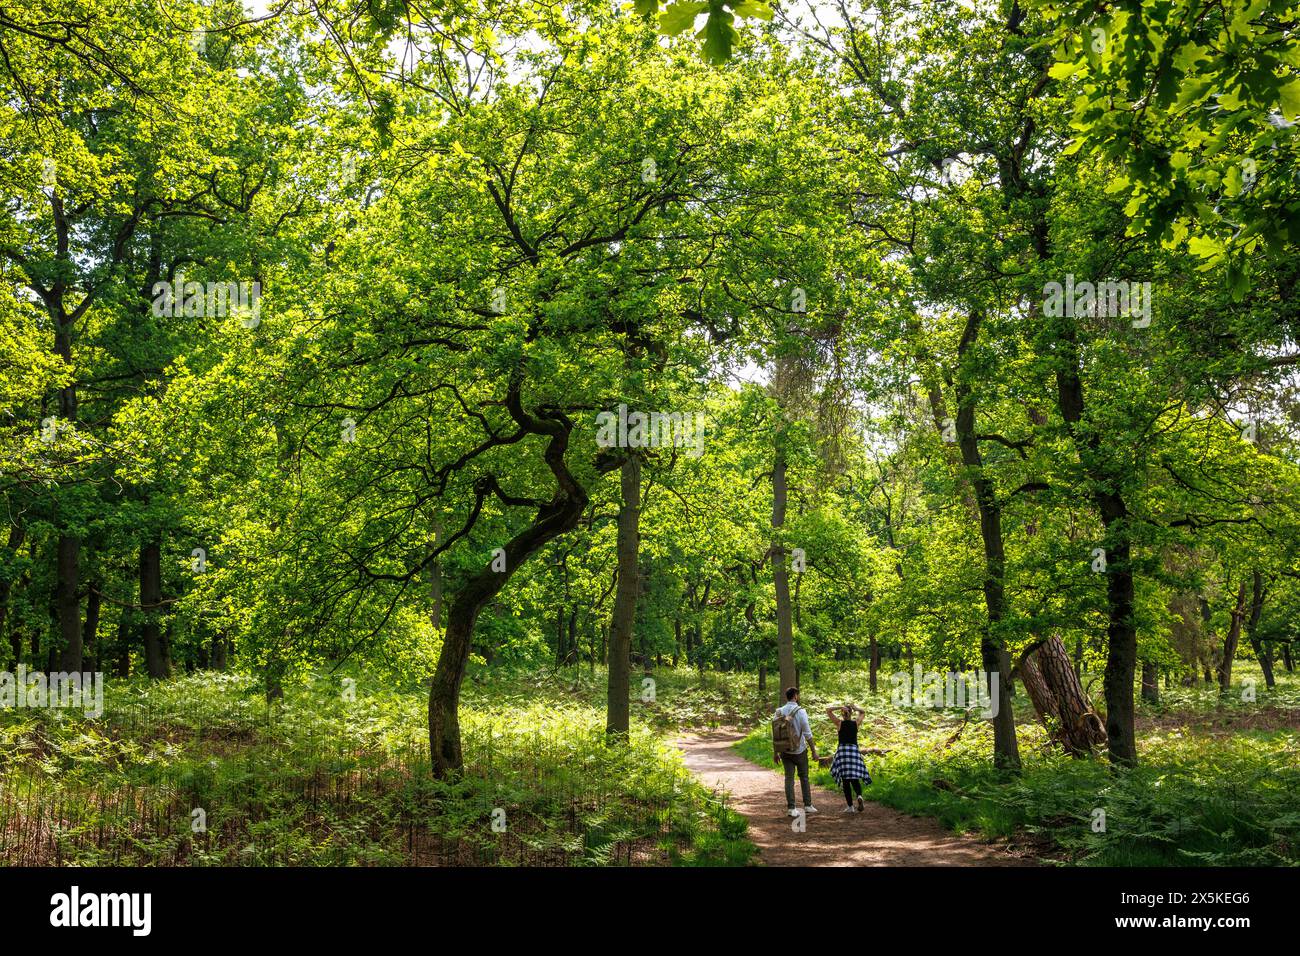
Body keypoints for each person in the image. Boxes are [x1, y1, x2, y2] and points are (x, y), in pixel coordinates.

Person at [772, 687, 818, 818]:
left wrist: (775, 752)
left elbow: (775, 735)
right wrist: (814, 751)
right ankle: (808, 805)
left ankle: (791, 808)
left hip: (784, 750)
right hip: (800, 750)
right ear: (796, 696)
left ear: (787, 697)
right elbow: (808, 733)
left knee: (789, 779)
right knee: (804, 777)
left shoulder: (779, 711)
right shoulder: (801, 711)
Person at [826, 702, 870, 812]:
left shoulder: (839, 723)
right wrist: (856, 708)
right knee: (854, 777)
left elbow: (828, 710)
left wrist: (840, 707)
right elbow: (863, 712)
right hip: (854, 752)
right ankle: (859, 795)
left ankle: (850, 806)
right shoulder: (856, 723)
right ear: (851, 713)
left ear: (842, 713)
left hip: (843, 753)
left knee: (845, 780)